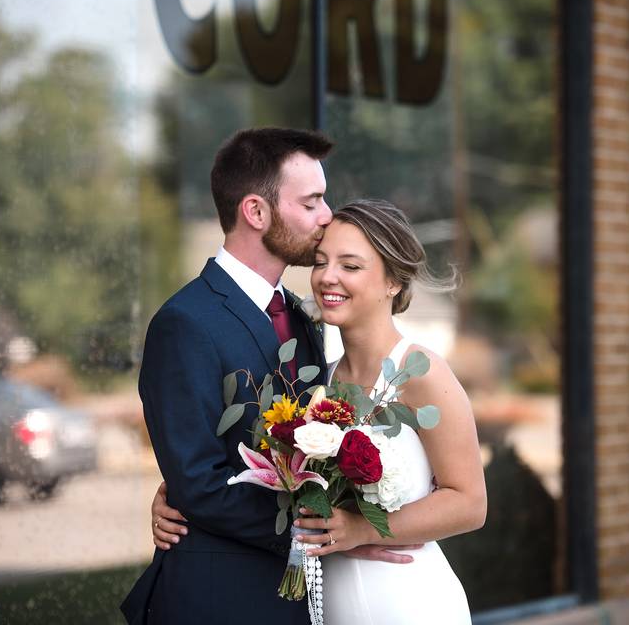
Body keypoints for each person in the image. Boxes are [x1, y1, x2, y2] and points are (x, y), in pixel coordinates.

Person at [121, 129, 416, 625]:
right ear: (256, 212)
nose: (327, 216)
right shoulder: (185, 323)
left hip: (296, 595)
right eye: (312, 202)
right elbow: (197, 481)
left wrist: (344, 520)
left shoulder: (300, 316)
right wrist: (324, 529)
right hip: (219, 597)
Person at [151, 199, 488, 623]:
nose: (328, 277)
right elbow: (273, 477)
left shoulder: (421, 373)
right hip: (326, 607)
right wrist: (181, 497)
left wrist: (360, 529)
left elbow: (470, 503)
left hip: (405, 601)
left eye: (350, 266)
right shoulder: (315, 382)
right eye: (321, 261)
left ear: (393, 282)